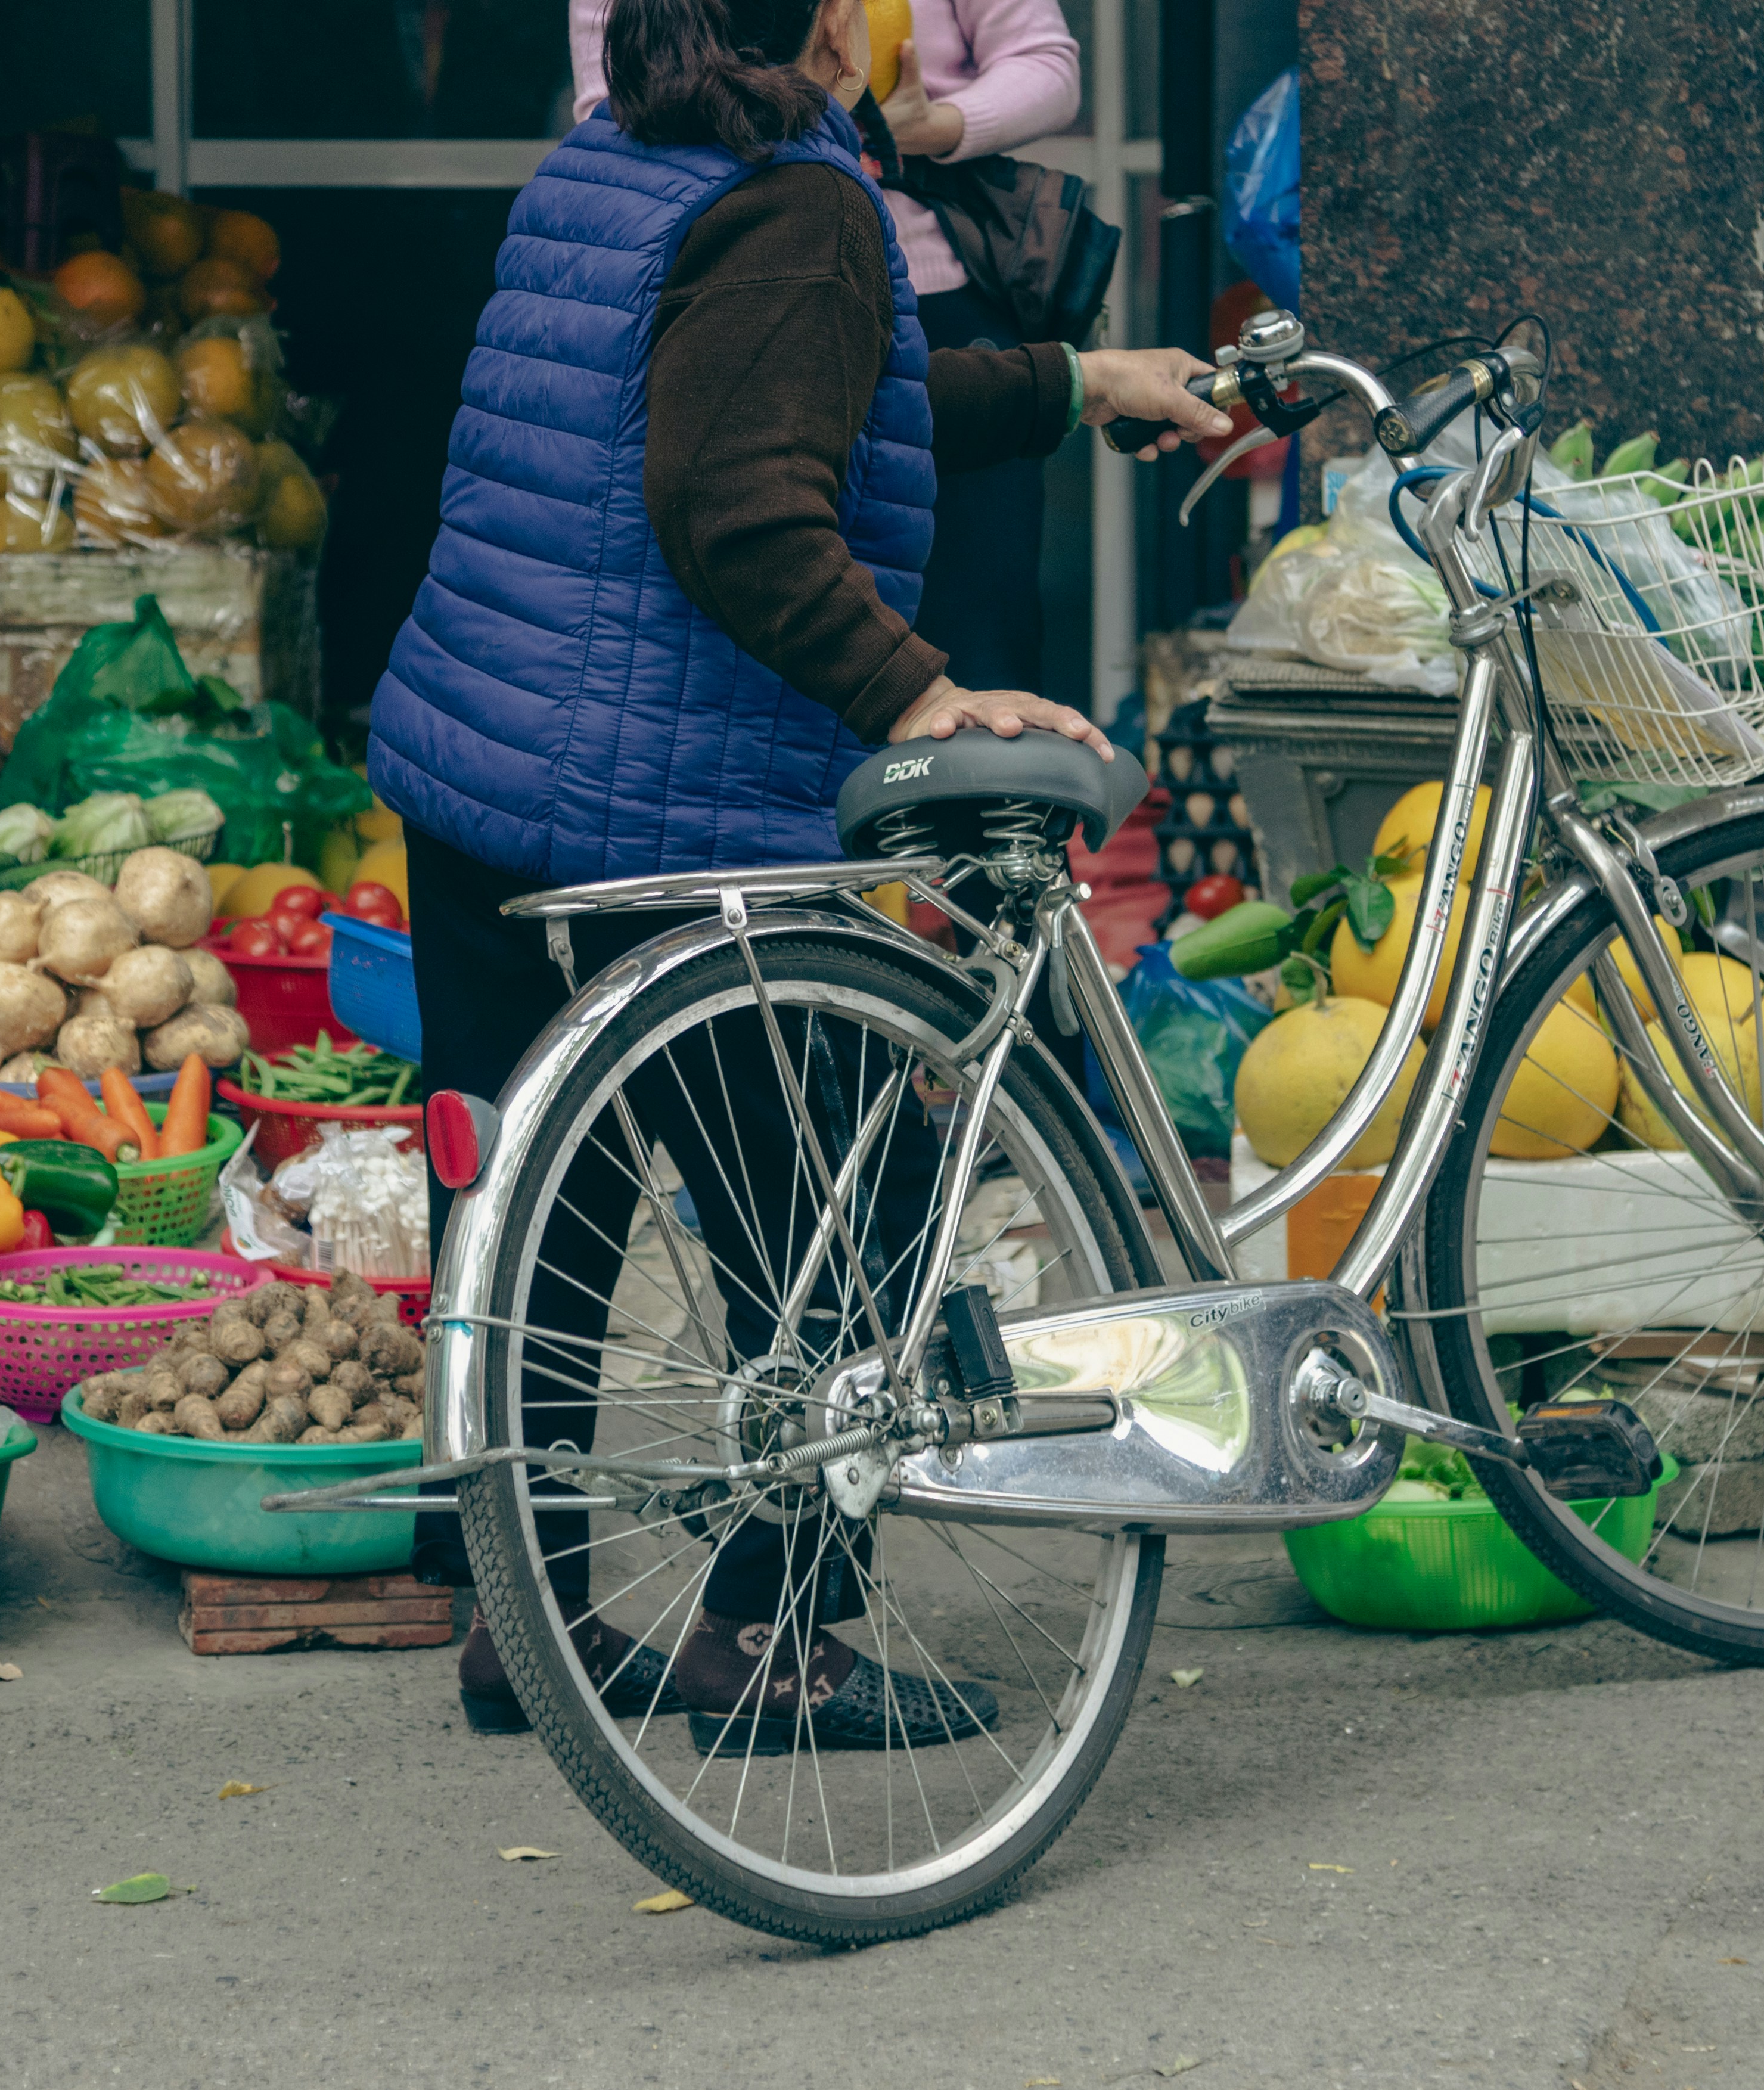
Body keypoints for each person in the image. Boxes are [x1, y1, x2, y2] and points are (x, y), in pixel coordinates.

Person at [372, 0, 1225, 1748]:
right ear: (832, 16)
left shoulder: (615, 155)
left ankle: (507, 1618)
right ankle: (787, 1654)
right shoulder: (796, 202)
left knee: (540, 1202)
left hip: (483, 777)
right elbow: (741, 501)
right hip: (667, 810)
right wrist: (925, 693)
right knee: (848, 1208)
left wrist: (1077, 379)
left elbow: (831, 388)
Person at [573, 0, 1082, 692]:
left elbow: (1047, 64)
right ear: (842, 32)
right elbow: (745, 524)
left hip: (933, 295)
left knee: (971, 613)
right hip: (739, 264)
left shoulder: (563, 202)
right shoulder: (799, 207)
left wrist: (928, 127)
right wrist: (913, 700)